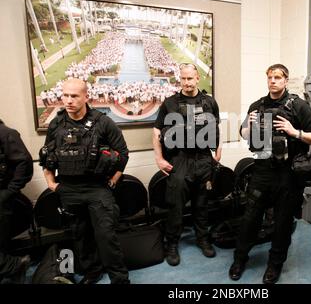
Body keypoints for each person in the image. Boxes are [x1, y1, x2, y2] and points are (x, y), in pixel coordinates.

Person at [229, 64, 311, 284]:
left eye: (277, 77)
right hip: (262, 171)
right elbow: (243, 134)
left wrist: (295, 132)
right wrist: (248, 127)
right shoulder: (257, 105)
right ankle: (240, 258)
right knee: (249, 219)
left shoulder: (298, 106)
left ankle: (275, 264)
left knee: (282, 223)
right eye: (270, 77)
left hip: (288, 175)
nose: (273, 81)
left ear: (285, 80)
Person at [39, 78, 130, 284]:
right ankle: (92, 272)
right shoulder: (56, 124)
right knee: (80, 235)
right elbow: (47, 155)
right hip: (68, 188)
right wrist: (51, 183)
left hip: (97, 188)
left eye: (74, 96)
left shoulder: (103, 122)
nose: (68, 100)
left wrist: (114, 180)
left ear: (86, 96)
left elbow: (123, 154)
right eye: (65, 95)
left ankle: (120, 279)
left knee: (106, 236)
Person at [152, 63, 221, 266]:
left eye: (190, 78)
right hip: (179, 159)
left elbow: (216, 127)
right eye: (183, 78)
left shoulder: (209, 102)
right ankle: (172, 244)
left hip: (203, 158)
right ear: (179, 79)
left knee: (202, 203)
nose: (186, 82)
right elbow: (156, 132)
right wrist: (159, 158)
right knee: (175, 205)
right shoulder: (170, 103)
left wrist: (217, 151)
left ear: (197, 78)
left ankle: (203, 239)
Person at [0, 119, 33, 283]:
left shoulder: (6, 133)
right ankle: (12, 268)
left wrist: (10, 191)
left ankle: (13, 266)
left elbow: (25, 164)